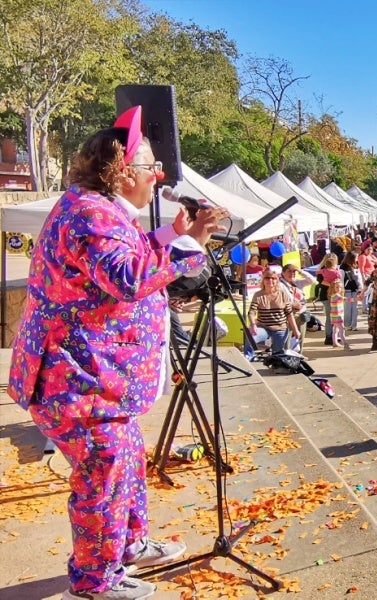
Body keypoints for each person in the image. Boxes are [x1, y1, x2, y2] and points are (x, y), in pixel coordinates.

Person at [9, 107, 228, 600]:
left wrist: (172, 235)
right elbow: (127, 277)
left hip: (98, 381)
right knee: (101, 481)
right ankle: (93, 581)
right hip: (78, 381)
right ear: (123, 171)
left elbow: (128, 254)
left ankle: (127, 545)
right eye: (152, 166)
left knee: (125, 464)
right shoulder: (90, 214)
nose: (160, 176)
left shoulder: (99, 210)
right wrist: (190, 245)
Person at [248, 269, 303, 356]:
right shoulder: (258, 295)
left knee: (278, 354)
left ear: (276, 281)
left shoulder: (283, 294)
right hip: (264, 327)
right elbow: (251, 312)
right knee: (250, 337)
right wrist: (253, 325)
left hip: (280, 328)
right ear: (263, 280)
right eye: (267, 278)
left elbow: (289, 314)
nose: (270, 280)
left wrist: (296, 330)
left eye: (273, 278)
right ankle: (248, 358)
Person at [328, 277, 348, 350]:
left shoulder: (333, 296)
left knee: (335, 330)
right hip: (338, 317)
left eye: (340, 287)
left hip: (334, 316)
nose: (339, 288)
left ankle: (334, 342)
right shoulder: (337, 296)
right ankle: (346, 345)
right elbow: (346, 299)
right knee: (342, 330)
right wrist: (357, 299)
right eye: (337, 287)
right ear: (333, 288)